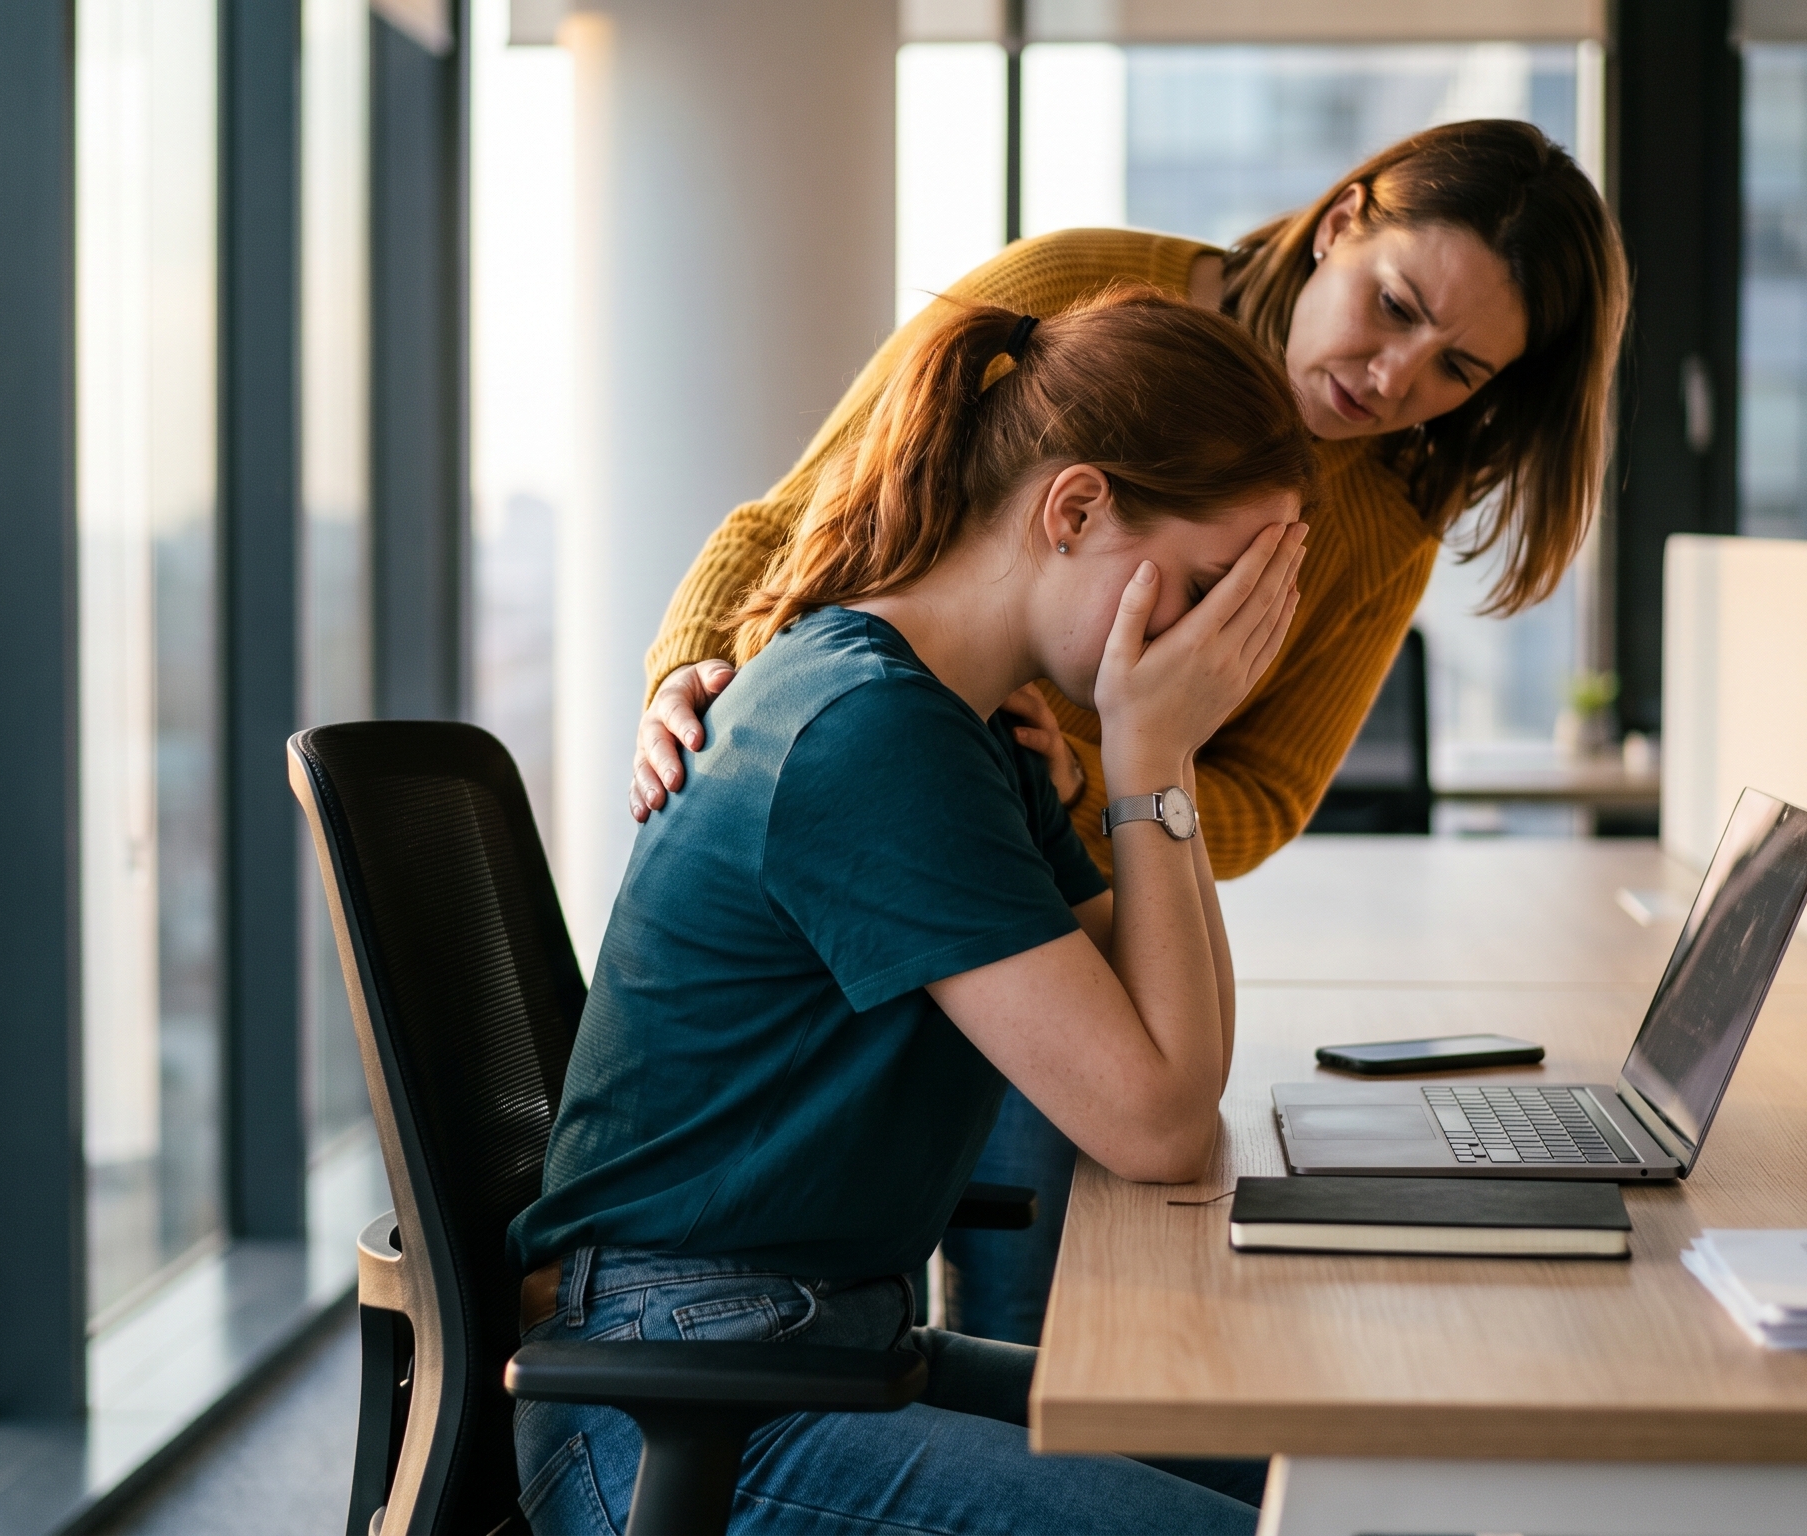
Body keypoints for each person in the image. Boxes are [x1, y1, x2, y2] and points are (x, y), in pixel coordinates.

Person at [628, 119, 1630, 1344]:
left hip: (1029, 857)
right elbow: (800, 523)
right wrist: (695, 681)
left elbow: (1256, 806)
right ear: (1340, 224)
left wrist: (1099, 766)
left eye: (1455, 371)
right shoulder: (1079, 298)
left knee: (1070, 1327)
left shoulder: (1382, 522)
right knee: (1017, 1306)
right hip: (900, 805)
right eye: (1393, 306)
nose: (1392, 380)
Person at [508, 287, 1312, 1536]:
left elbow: (1167, 1040)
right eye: (1210, 586)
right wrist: (1152, 753)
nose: (1218, 639)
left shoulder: (971, 728)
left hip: (819, 1347)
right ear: (1075, 509)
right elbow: (1153, 1121)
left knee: (1330, 1483)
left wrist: (1165, 759)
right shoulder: (872, 734)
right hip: (676, 1408)